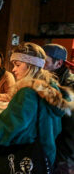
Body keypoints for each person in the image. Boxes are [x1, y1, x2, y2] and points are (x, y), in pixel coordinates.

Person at [0, 42, 73, 173]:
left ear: (31, 66)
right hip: (43, 159)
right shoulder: (49, 88)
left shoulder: (27, 92)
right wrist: (2, 118)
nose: (13, 69)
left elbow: (4, 133)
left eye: (17, 65)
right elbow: (31, 125)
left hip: (17, 161)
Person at [43, 43, 74, 174]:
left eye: (45, 61)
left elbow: (70, 128)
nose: (41, 65)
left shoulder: (69, 86)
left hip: (64, 152)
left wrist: (61, 159)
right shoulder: (50, 79)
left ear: (59, 63)